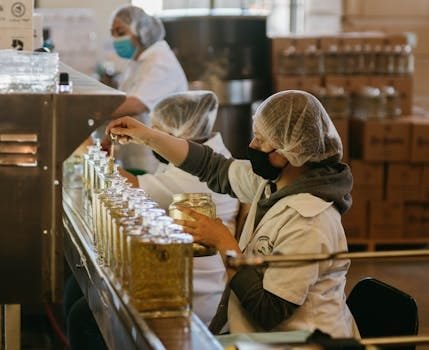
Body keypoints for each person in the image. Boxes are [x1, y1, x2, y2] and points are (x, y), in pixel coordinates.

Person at [107, 90, 359, 338]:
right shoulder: (273, 183)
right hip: (258, 336)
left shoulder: (310, 221)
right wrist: (149, 136)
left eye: (260, 140)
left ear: (287, 154)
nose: (252, 146)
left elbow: (269, 311)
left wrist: (223, 241)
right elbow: (211, 166)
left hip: (301, 343)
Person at [64, 91, 239, 350]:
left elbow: (124, 185)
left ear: (179, 133)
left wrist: (84, 141)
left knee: (84, 315)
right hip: (174, 279)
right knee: (77, 290)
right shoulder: (206, 152)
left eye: (157, 134)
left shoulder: (195, 178)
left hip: (193, 299)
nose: (152, 141)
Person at [83, 5, 188, 174]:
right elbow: (123, 104)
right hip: (137, 153)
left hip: (156, 157)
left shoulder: (160, 62)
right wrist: (108, 139)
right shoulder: (137, 62)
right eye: (113, 33)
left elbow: (135, 105)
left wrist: (86, 111)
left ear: (141, 31)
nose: (116, 39)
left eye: (121, 32)